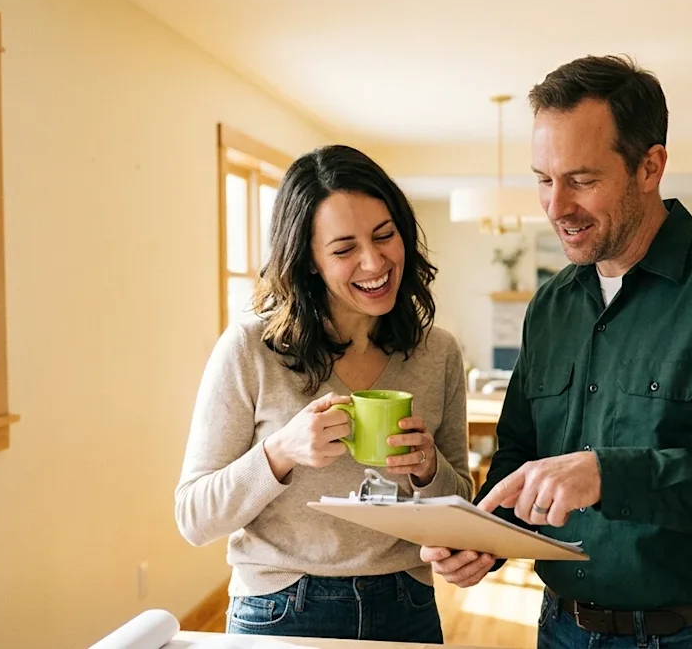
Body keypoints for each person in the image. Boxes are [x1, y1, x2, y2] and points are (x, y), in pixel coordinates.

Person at [422, 55, 692, 648]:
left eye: (581, 180)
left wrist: (610, 475)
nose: (555, 207)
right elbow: (521, 456)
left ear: (650, 166)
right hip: (560, 628)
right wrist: (485, 533)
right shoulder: (550, 306)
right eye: (543, 179)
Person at [176, 144, 472, 643]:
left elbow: (460, 505)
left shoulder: (436, 352)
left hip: (405, 605)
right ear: (308, 261)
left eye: (385, 236)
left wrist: (427, 469)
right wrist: (279, 453)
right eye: (343, 249)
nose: (374, 261)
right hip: (280, 608)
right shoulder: (250, 348)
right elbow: (194, 517)